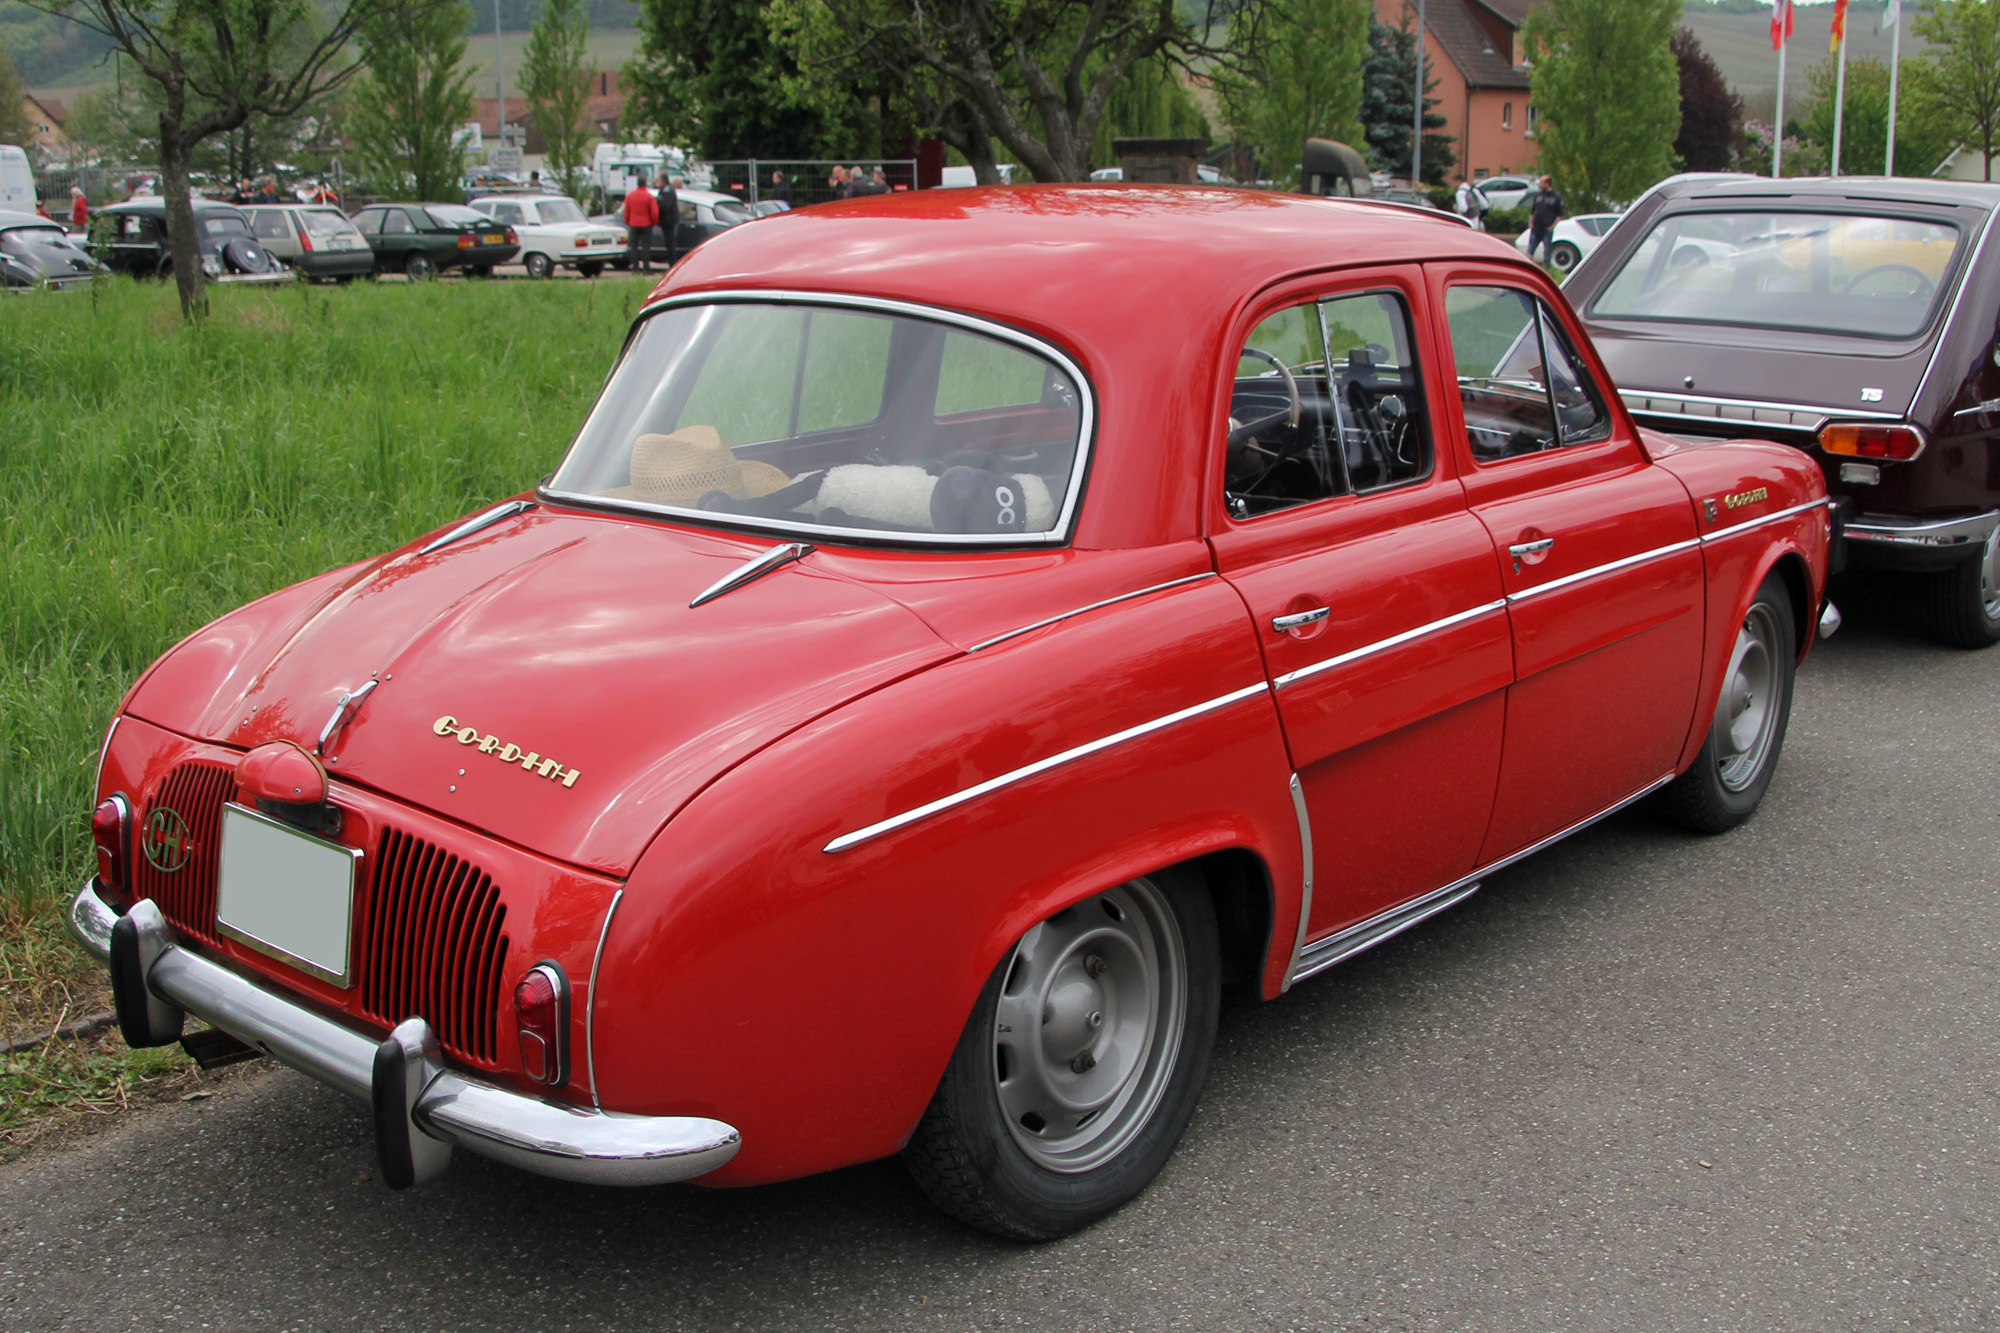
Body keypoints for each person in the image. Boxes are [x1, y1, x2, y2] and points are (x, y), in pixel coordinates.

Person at [1526, 175, 1565, 266]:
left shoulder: (1556, 197)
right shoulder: (1538, 195)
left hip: (1547, 228)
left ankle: (1547, 269)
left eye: (1541, 183)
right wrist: (1531, 222)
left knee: (1547, 251)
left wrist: (1552, 226)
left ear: (1547, 184)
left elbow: (1560, 214)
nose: (1540, 185)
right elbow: (1533, 210)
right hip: (1536, 228)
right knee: (1530, 251)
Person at [621, 179, 658, 272]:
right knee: (646, 247)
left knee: (634, 247)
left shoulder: (630, 196)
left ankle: (635, 267)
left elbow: (626, 212)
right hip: (646, 224)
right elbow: (655, 213)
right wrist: (653, 222)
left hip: (633, 224)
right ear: (645, 184)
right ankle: (646, 267)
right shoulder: (649, 197)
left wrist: (628, 221)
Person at [655, 172, 680, 266]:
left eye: (659, 180)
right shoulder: (664, 190)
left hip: (669, 221)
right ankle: (671, 262)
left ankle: (672, 263)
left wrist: (657, 203)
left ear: (663, 181)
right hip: (666, 221)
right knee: (668, 243)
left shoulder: (668, 191)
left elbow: (665, 206)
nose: (658, 182)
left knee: (670, 243)